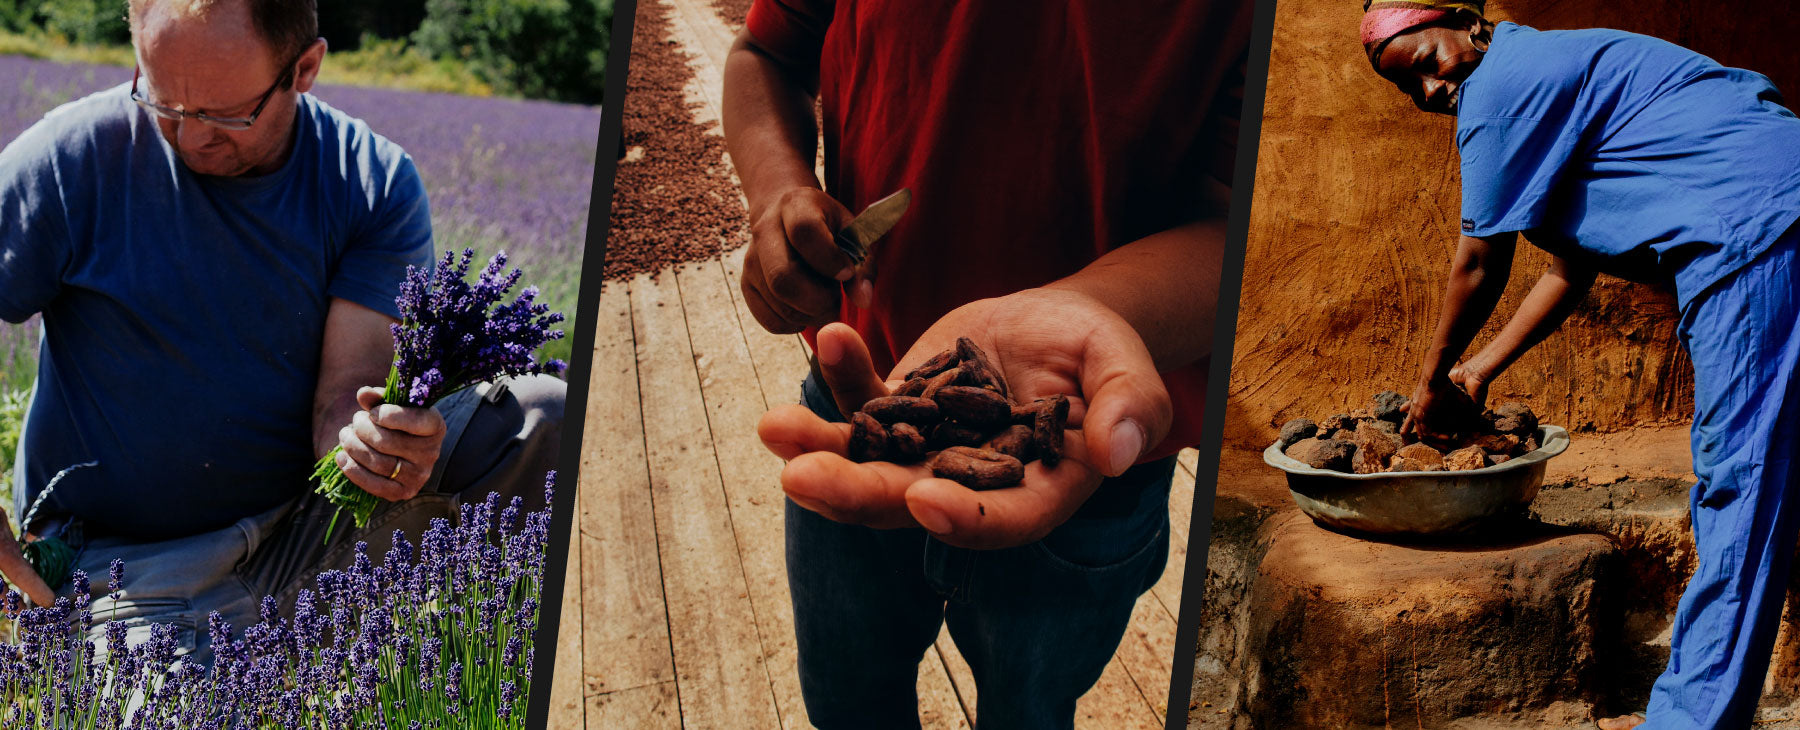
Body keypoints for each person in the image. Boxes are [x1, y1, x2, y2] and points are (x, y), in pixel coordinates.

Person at [722, 1, 1250, 726]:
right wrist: (777, 195)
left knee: (1031, 706)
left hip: (1090, 449)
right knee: (847, 698)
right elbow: (764, 55)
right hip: (859, 401)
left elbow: (1239, 220)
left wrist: (1085, 313)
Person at [0, 0, 563, 661]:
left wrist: (370, 446)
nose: (187, 137)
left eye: (221, 114)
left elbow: (344, 394)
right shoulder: (73, 161)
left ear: (304, 68)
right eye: (161, 100)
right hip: (121, 561)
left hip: (303, 529)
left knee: (547, 418)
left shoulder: (370, 183)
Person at [1361, 1, 1800, 727]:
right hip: (1778, 196)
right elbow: (1568, 272)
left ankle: (1691, 719)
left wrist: (1432, 381)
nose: (1431, 92)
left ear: (1468, 23)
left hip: (1749, 234)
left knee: (1740, 484)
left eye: (1425, 65)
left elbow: (1478, 261)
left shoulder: (1499, 89)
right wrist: (1477, 373)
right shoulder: (1551, 79)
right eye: (1410, 91)